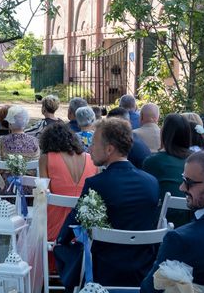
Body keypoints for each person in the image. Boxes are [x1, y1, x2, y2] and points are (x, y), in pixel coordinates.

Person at [55, 118, 159, 288]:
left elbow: (73, 225)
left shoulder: (96, 184)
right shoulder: (152, 182)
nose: (90, 148)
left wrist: (60, 242)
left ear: (109, 149)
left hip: (103, 272)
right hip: (142, 271)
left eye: (94, 144)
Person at [141, 149, 204, 291]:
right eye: (183, 179)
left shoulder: (180, 240)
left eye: (189, 182)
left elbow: (149, 290)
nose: (181, 187)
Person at [39, 122, 96, 243]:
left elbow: (43, 194)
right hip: (84, 224)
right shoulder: (91, 159)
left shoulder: (46, 158)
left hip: (55, 227)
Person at [142, 114, 192, 228]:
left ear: (164, 133)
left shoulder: (153, 161)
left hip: (163, 224)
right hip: (193, 221)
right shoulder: (196, 160)